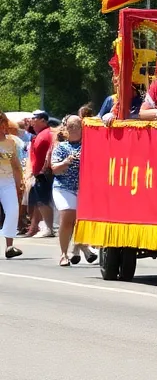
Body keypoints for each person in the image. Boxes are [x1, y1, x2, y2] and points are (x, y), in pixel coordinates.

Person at [49, 116, 95, 267]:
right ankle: (64, 254)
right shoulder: (61, 147)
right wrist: (66, 162)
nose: (74, 129)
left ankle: (80, 246)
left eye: (77, 126)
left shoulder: (89, 146)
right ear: (66, 129)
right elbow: (55, 169)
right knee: (68, 217)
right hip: (63, 187)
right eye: (71, 126)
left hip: (83, 189)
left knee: (81, 220)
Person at [24, 110, 56, 238]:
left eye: (34, 119)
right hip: (39, 173)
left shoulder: (47, 134)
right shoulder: (41, 134)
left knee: (44, 202)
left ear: (43, 120)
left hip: (44, 173)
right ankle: (44, 226)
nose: (32, 121)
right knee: (40, 202)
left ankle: (49, 228)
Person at [0, 114, 23, 258]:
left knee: (13, 210)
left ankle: (10, 246)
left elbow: (15, 165)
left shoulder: (10, 142)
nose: (2, 128)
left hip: (7, 181)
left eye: (3, 124)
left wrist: (20, 183)